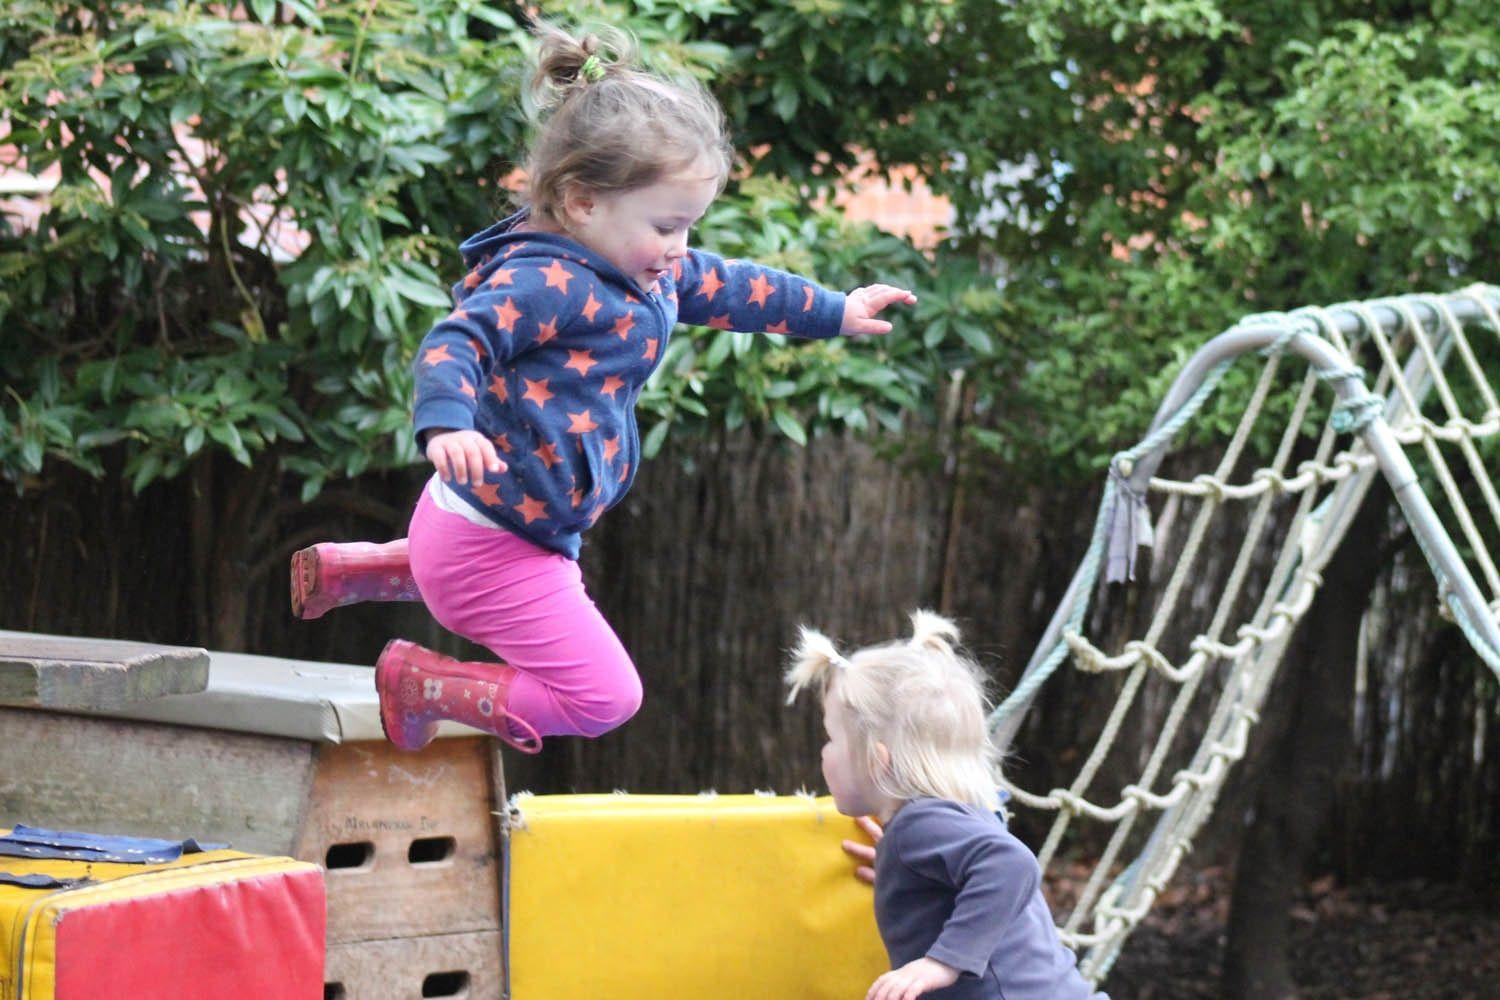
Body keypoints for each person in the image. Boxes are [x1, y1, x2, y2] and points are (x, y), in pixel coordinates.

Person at [289, 22, 916, 754]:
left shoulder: (640, 266)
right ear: (583, 202)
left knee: (496, 594)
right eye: (668, 226)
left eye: (690, 225)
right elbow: (459, 339)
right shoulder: (545, 282)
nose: (681, 248)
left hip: (483, 527)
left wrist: (834, 310)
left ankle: (365, 568)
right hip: (494, 547)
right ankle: (418, 683)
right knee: (601, 698)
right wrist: (447, 423)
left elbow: (739, 288)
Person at [786, 612, 1106, 1000]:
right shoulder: (954, 817)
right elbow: (975, 873)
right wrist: (900, 872)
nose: (824, 752)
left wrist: (942, 963)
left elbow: (1011, 865)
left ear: (876, 760)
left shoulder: (919, 824)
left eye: (831, 738)